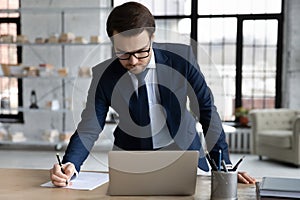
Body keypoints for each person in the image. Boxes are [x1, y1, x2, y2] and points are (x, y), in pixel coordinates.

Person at [50, 2, 256, 186]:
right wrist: (70, 163)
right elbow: (89, 126)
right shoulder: (104, 75)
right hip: (131, 157)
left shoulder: (182, 58)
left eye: (141, 51)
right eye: (123, 53)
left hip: (183, 153)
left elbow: (206, 111)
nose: (132, 61)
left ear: (152, 38)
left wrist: (224, 166)